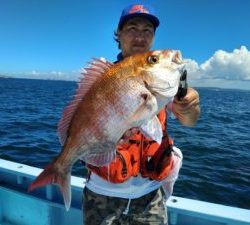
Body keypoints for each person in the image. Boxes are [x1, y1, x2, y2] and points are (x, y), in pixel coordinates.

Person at [82, 4, 200, 225]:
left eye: (147, 30)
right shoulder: (101, 79)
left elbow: (189, 121)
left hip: (150, 196)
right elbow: (83, 124)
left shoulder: (162, 77)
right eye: (132, 28)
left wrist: (190, 106)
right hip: (101, 194)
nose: (140, 36)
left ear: (153, 37)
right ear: (119, 34)